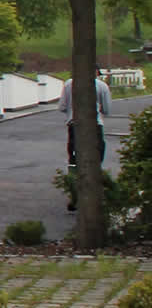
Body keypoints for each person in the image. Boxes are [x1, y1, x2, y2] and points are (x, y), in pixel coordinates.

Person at [60, 76, 114, 211]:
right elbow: (107, 110)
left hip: (74, 125)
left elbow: (62, 107)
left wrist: (71, 111)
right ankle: (94, 194)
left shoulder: (68, 84)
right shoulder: (102, 86)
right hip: (95, 126)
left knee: (74, 160)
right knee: (96, 159)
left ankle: (74, 195)